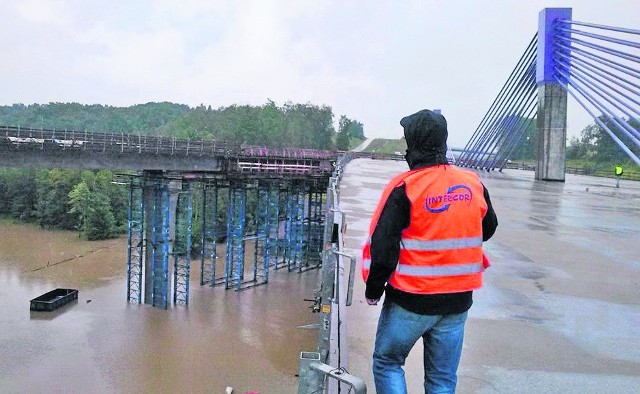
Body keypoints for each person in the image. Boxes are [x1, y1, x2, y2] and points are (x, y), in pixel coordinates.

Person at [361, 109, 498, 393]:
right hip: (457, 303)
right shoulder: (473, 183)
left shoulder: (406, 187)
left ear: (412, 145)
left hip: (412, 301)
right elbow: (488, 228)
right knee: (442, 379)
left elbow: (383, 249)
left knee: (387, 362)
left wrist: (374, 290)